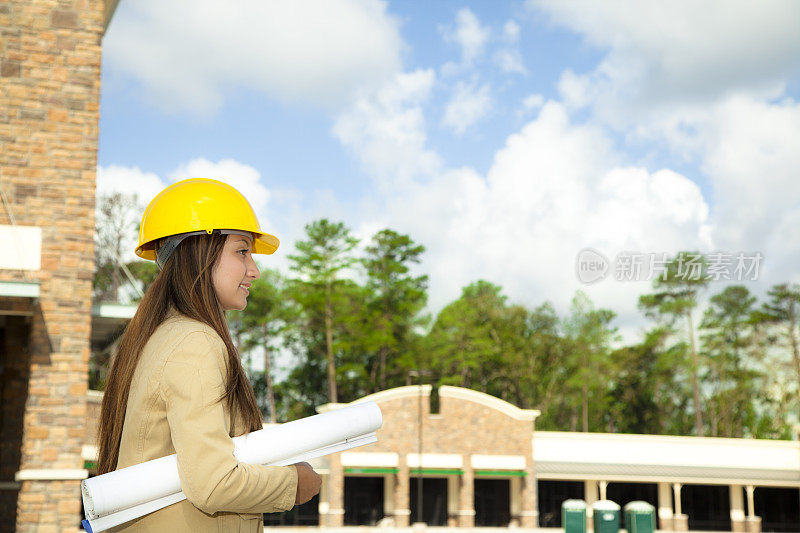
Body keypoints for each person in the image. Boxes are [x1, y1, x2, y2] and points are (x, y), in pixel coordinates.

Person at [96, 178, 321, 532]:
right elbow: (214, 483)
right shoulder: (195, 341)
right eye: (242, 251)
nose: (255, 271)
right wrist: (296, 484)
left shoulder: (160, 336)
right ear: (199, 250)